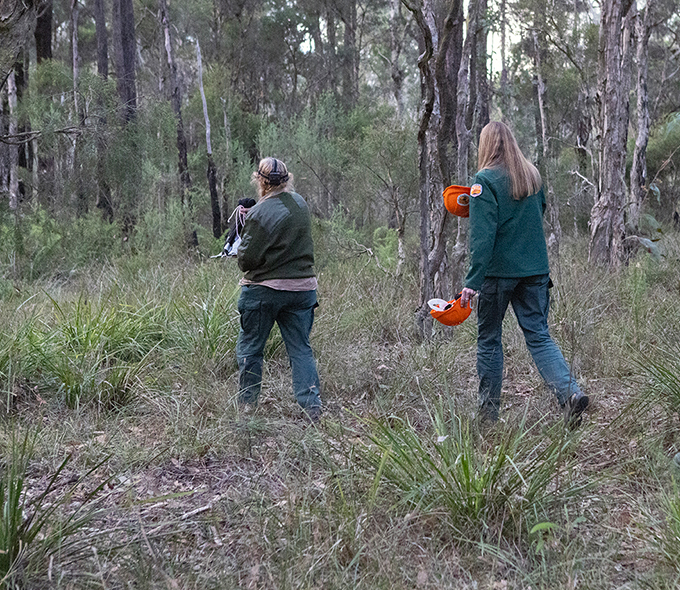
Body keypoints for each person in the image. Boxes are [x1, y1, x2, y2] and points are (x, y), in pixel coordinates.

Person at [459, 122, 589, 427]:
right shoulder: (532, 176)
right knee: (539, 336)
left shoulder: (483, 181)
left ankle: (488, 419)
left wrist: (471, 284)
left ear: (486, 145)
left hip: (497, 275)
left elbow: (482, 239)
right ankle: (570, 393)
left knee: (489, 340)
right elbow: (536, 214)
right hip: (535, 272)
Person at [235, 157, 322, 422]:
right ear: (288, 179)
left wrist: (246, 228)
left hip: (263, 292)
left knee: (251, 349)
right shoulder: (300, 204)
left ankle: (247, 408)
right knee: (300, 349)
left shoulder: (259, 213)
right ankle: (312, 408)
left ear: (259, 181)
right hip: (302, 291)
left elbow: (246, 261)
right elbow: (281, 223)